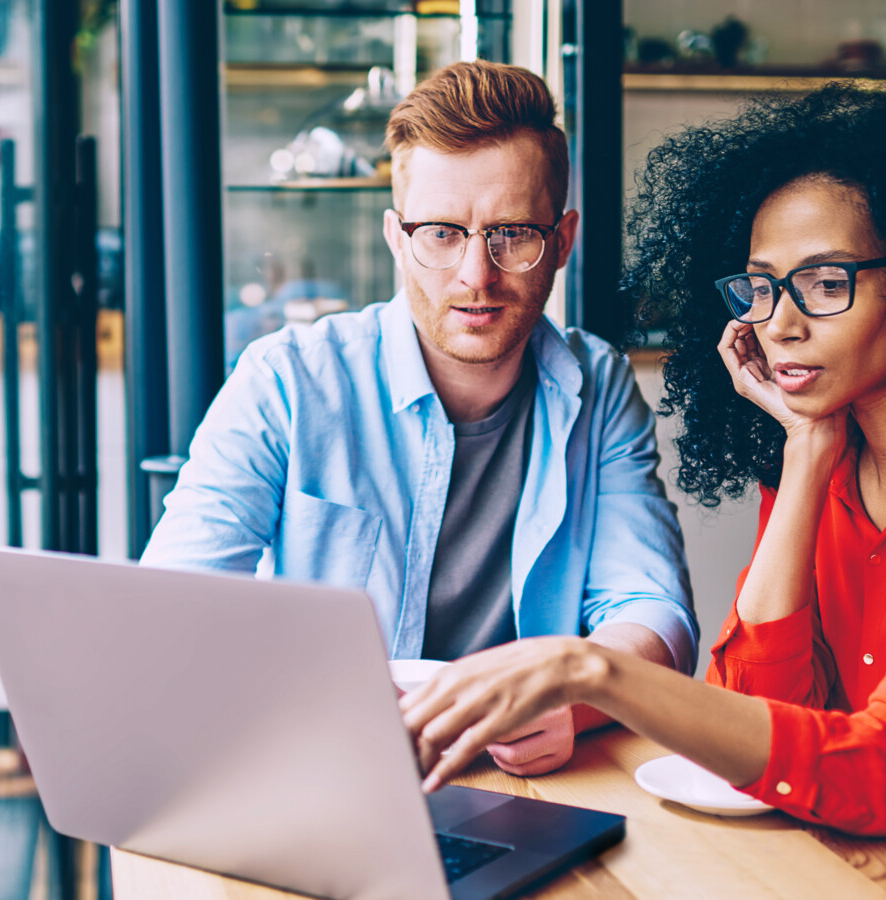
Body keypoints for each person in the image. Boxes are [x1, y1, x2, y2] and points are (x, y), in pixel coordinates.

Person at [400, 84, 886, 895]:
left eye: (826, 283)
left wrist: (590, 672)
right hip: (855, 852)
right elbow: (765, 722)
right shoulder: (819, 456)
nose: (782, 325)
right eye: (763, 287)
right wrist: (803, 456)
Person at [141, 60, 698, 778]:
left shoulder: (599, 385)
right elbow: (171, 610)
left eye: (512, 234)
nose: (477, 274)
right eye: (441, 233)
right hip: (322, 768)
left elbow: (654, 612)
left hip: (531, 785)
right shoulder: (286, 379)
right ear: (396, 238)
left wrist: (576, 702)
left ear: (561, 242)